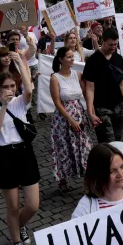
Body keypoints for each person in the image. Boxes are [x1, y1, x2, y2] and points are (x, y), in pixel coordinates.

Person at [0, 55, 39, 245]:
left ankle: (19, 226)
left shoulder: (20, 102)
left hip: (25, 153)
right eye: (5, 86)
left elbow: (29, 89)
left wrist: (20, 63)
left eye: (12, 86)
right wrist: (3, 106)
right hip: (6, 156)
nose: (9, 89)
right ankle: (17, 243)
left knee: (33, 205)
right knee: (13, 207)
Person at [49, 47, 92, 194]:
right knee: (64, 148)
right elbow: (57, 102)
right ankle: (62, 180)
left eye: (72, 57)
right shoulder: (55, 78)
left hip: (79, 114)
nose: (72, 59)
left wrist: (90, 113)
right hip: (63, 118)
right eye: (68, 57)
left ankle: (87, 181)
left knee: (85, 148)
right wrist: (70, 120)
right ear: (61, 59)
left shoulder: (77, 75)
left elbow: (87, 93)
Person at [72, 143, 123, 217]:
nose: (120, 174)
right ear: (98, 174)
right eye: (112, 171)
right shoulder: (86, 206)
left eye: (122, 166)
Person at [83, 28, 123, 143]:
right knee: (107, 142)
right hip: (102, 108)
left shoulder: (118, 58)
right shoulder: (92, 61)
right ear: (102, 41)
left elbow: (121, 82)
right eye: (110, 44)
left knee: (117, 141)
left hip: (119, 107)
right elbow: (89, 88)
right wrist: (90, 112)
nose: (113, 47)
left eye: (115, 44)